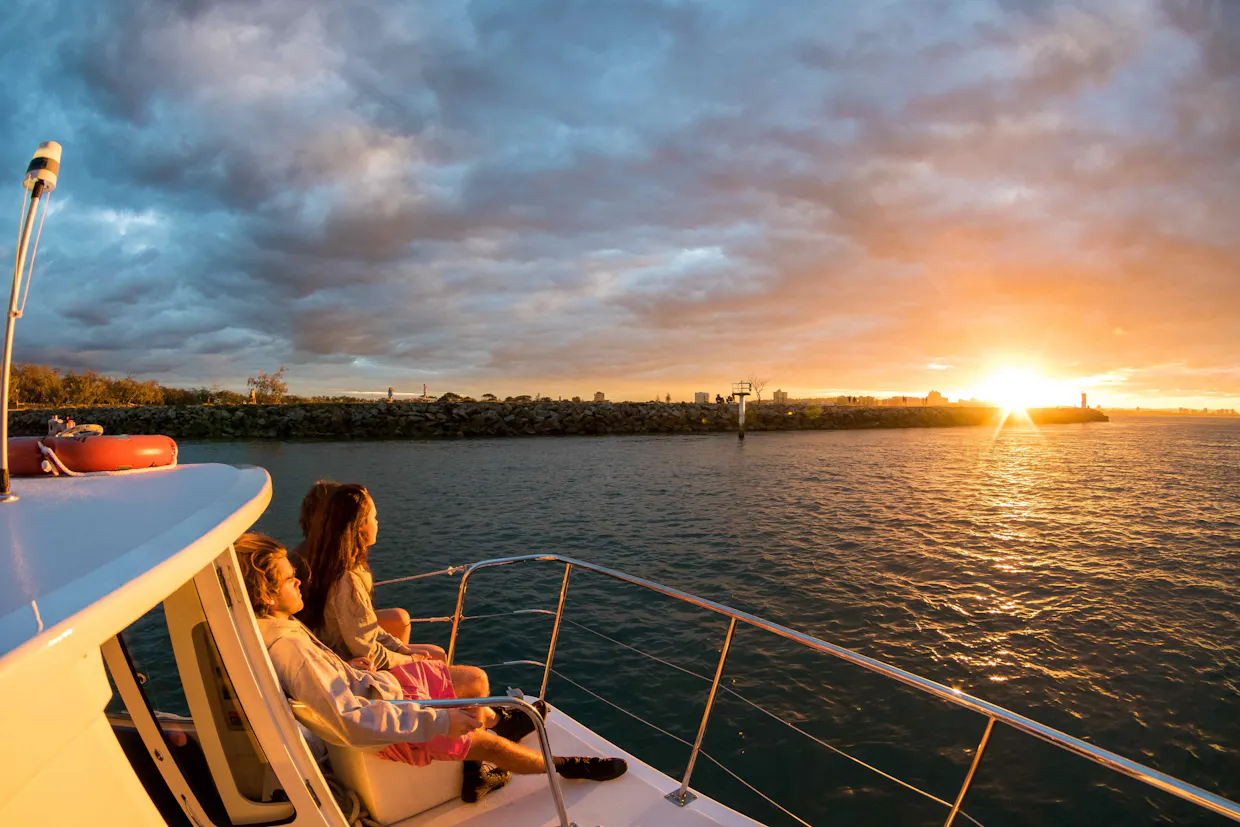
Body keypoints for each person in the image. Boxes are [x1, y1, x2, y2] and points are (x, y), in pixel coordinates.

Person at [234, 533, 627, 802]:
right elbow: (350, 721)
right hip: (387, 722)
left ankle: (491, 723)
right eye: (289, 579)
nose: (299, 582)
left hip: (376, 689)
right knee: (478, 739)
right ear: (266, 594)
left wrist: (347, 668)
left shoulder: (274, 627)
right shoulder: (288, 646)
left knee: (471, 679)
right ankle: (561, 765)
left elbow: (324, 684)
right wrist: (439, 723)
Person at [291, 480, 412, 644]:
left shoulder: (329, 550)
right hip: (323, 638)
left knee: (399, 619)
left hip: (333, 628)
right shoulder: (315, 560)